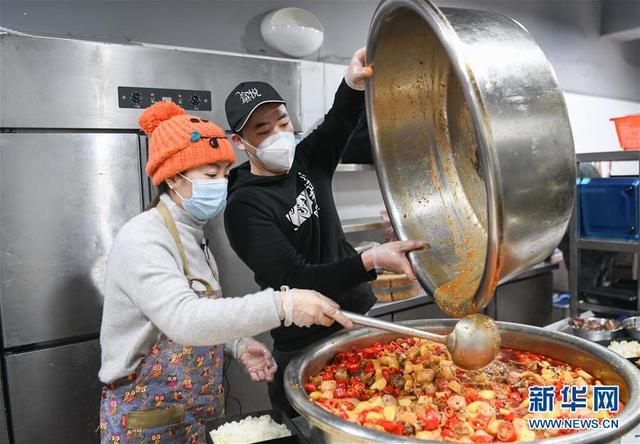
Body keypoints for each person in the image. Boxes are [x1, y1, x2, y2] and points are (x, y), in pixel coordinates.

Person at [98, 101, 352, 443]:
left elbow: (194, 312)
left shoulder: (191, 232)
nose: (221, 183)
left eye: (224, 171)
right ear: (173, 176)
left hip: (196, 410)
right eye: (210, 174)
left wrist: (235, 344)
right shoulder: (144, 237)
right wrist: (284, 305)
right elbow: (183, 319)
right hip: (150, 420)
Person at [224, 47, 425, 415]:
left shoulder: (305, 160)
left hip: (358, 321)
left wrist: (352, 83)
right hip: (305, 341)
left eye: (283, 122)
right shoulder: (244, 208)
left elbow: (340, 120)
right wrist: (370, 260)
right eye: (263, 130)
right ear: (240, 142)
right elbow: (295, 277)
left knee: (378, 419)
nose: (279, 134)